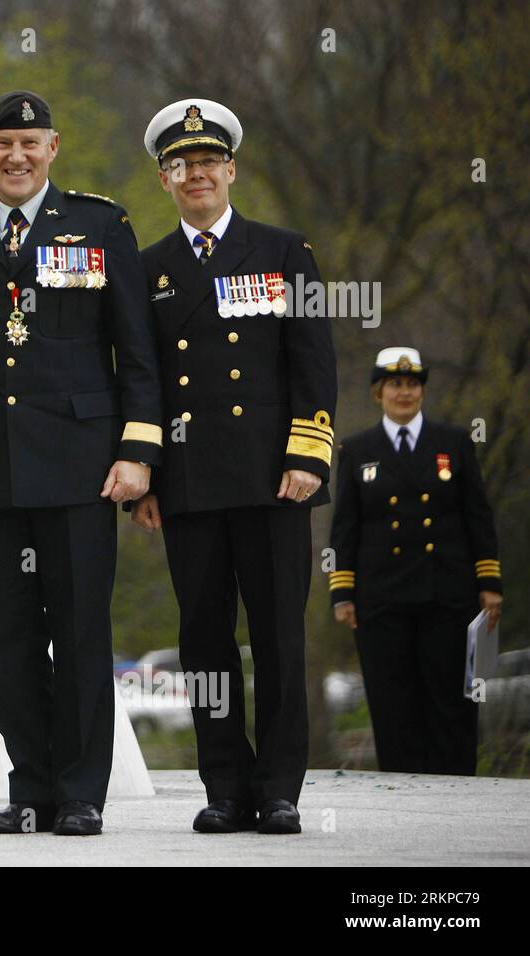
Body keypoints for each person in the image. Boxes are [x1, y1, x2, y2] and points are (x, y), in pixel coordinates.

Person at [0, 91, 163, 836]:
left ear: (53, 147)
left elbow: (137, 350)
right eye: (3, 144)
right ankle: (30, 787)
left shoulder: (99, 224)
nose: (17, 156)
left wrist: (137, 451)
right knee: (8, 638)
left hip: (81, 468)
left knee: (81, 631)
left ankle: (82, 791)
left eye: (30, 142)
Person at [132, 99, 337, 835]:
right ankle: (224, 784)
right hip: (188, 482)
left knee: (280, 637)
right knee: (206, 642)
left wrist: (309, 455)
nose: (197, 174)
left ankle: (280, 787)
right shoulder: (147, 268)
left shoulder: (285, 252)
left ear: (231, 170)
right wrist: (143, 479)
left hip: (275, 479)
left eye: (208, 162)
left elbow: (312, 359)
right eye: (181, 165)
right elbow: (142, 379)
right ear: (164, 179)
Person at [329, 347, 503, 775]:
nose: (403, 393)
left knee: (450, 699)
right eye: (394, 385)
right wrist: (343, 591)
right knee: (392, 702)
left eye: (412, 385)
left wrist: (490, 582)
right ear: (378, 392)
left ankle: (456, 788)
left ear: (422, 391)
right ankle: (403, 794)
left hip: (447, 590)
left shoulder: (455, 442)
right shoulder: (356, 449)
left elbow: (477, 516)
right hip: (381, 596)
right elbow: (345, 527)